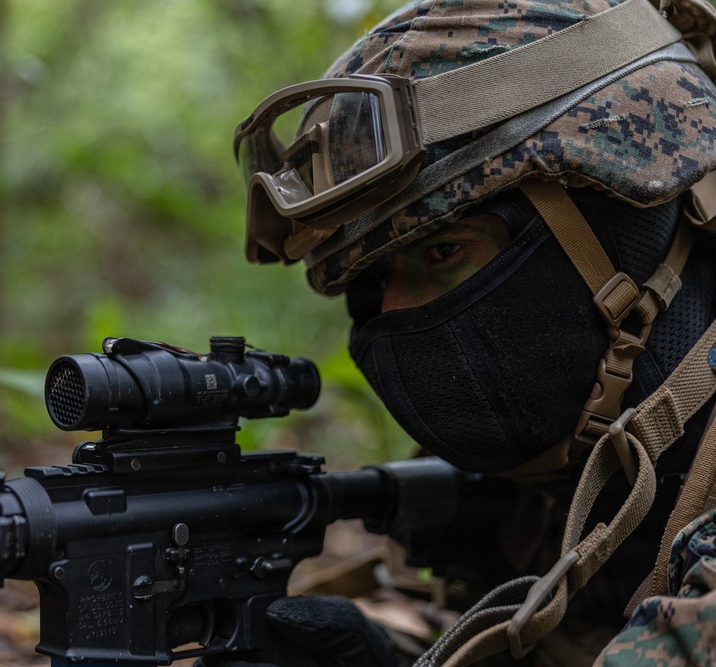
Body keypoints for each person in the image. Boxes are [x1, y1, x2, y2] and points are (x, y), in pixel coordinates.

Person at [224, 0, 716, 664]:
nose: (396, 312)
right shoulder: (559, 488)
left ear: (625, 225)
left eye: (444, 252)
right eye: (375, 282)